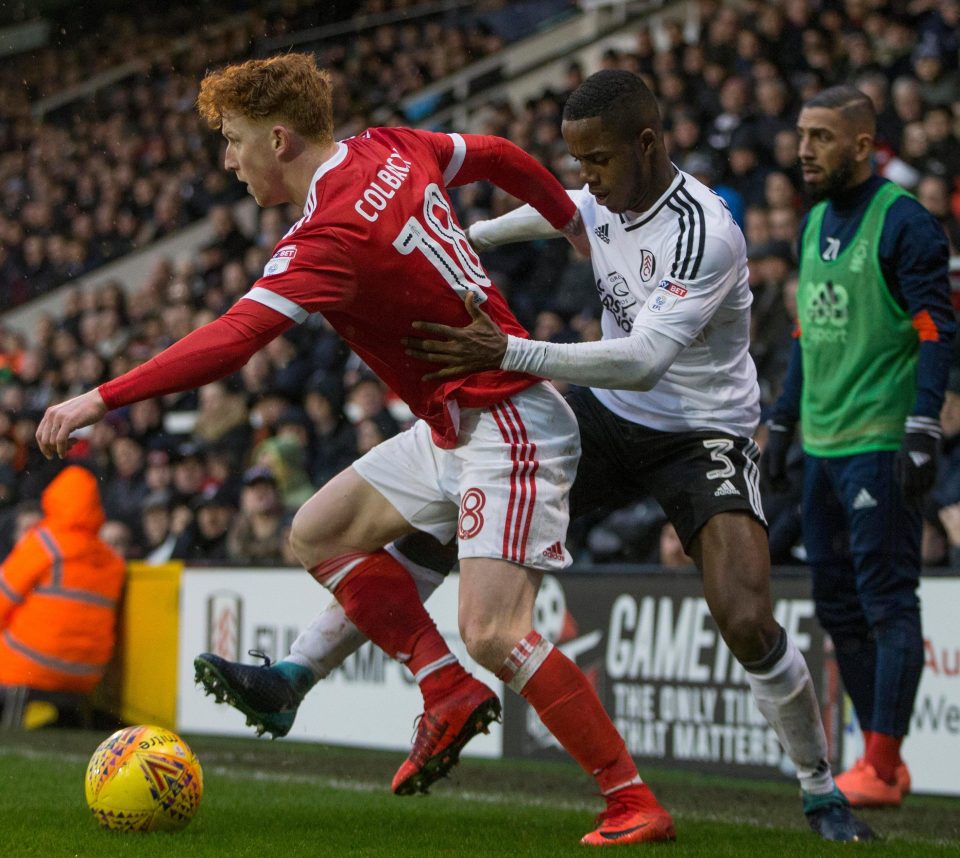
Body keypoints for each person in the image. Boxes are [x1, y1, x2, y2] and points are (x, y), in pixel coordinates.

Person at [196, 70, 873, 843]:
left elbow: (643, 358)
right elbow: (557, 211)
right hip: (605, 416)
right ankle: (295, 673)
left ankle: (821, 790)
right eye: (576, 162)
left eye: (598, 161)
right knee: (439, 524)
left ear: (647, 146)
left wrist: (511, 350)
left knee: (747, 619)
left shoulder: (704, 230)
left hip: (698, 432)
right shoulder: (605, 196)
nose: (584, 179)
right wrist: (443, 239)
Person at [35, 54, 667, 845]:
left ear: (278, 140)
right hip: (454, 424)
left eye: (232, 142)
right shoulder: (389, 146)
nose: (227, 161)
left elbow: (232, 341)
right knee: (318, 532)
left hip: (509, 421)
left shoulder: (327, 236)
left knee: (495, 633)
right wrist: (568, 221)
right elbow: (500, 155)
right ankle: (443, 689)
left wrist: (100, 398)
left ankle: (630, 797)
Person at [762, 85, 955, 808]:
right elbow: (810, 333)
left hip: (878, 439)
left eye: (819, 137)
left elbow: (939, 329)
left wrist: (924, 423)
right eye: (801, 134)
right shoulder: (812, 224)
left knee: (887, 599)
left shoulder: (905, 223)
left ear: (861, 143)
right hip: (821, 444)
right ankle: (883, 761)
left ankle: (881, 761)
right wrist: (782, 422)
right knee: (837, 604)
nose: (803, 149)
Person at [0, 466, 125, 729]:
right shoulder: (111, 560)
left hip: (28, 665)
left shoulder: (44, 543)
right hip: (86, 674)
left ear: (53, 498)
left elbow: (3, 597)